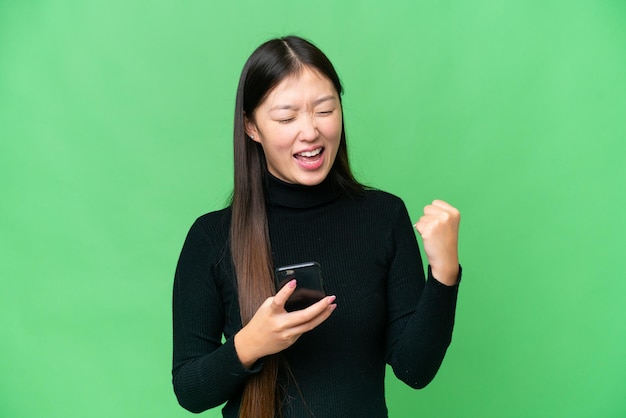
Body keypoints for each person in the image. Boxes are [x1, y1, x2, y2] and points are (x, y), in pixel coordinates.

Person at [172, 35, 462, 418]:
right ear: (251, 127)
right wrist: (250, 344)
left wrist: (444, 273)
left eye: (324, 110)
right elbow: (190, 390)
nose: (310, 132)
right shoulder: (211, 238)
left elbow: (415, 369)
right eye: (286, 117)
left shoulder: (384, 217)